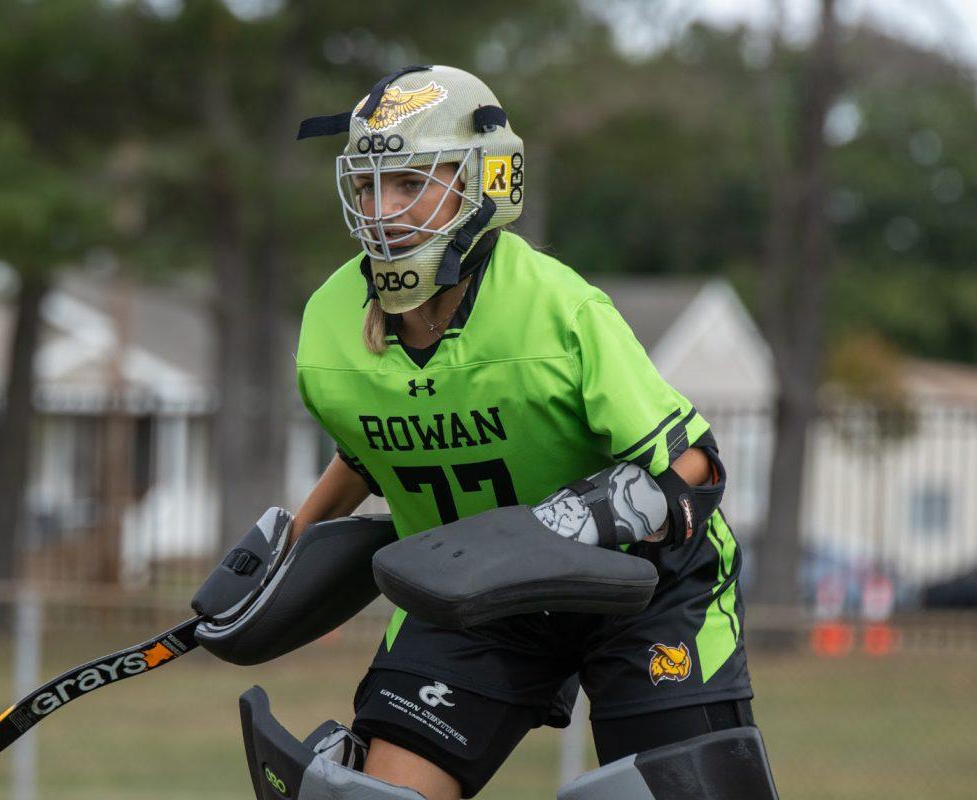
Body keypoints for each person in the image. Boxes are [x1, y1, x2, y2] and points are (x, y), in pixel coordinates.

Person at [290, 65, 762, 800]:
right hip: (474, 589)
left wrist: (580, 521)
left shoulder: (556, 309)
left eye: (411, 182)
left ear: (486, 179)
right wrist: (286, 549)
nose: (382, 211)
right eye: (366, 185)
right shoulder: (328, 323)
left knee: (680, 791)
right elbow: (369, 449)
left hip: (641, 586)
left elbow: (694, 466)